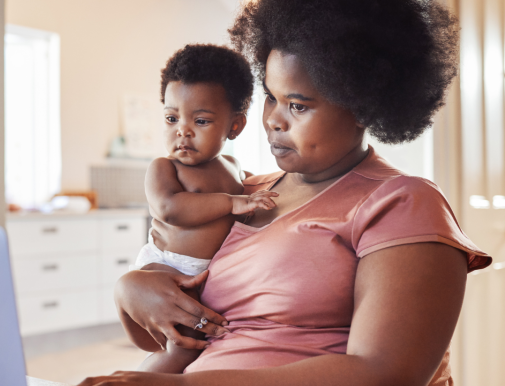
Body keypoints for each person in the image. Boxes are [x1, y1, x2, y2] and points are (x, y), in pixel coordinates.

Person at [79, 0, 493, 385]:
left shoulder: (402, 202)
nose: (273, 121)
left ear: (363, 107)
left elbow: (384, 374)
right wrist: (130, 288)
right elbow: (162, 340)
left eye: (298, 105)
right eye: (271, 98)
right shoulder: (241, 192)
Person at [132, 43, 279, 374]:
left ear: (235, 126)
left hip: (204, 274)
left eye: (200, 120)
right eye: (172, 118)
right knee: (181, 348)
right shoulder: (164, 168)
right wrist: (232, 203)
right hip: (165, 267)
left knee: (205, 347)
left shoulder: (234, 167)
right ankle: (142, 379)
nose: (182, 130)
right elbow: (171, 208)